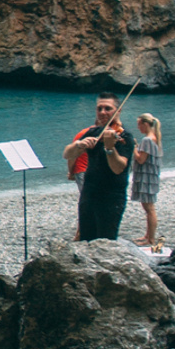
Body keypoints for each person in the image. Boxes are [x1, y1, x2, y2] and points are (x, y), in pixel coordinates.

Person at [63, 95, 132, 243]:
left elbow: (118, 168)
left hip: (111, 197)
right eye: (99, 108)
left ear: (118, 110)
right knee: (86, 238)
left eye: (108, 108)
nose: (102, 112)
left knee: (105, 242)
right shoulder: (94, 132)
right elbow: (67, 154)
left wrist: (110, 148)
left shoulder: (125, 136)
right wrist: (79, 146)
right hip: (89, 194)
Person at [129, 114, 164, 250]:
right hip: (151, 176)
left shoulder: (147, 140)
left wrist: (133, 148)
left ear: (145, 124)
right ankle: (148, 235)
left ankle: (150, 239)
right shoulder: (155, 138)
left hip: (147, 177)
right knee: (148, 207)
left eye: (139, 124)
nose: (138, 127)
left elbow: (141, 159)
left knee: (149, 208)